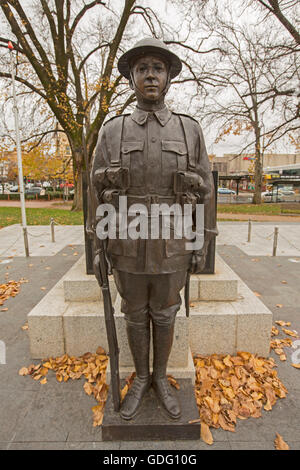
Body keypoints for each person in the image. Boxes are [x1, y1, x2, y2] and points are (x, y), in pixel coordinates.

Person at [90, 38, 217, 420]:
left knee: (164, 313)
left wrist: (200, 246)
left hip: (173, 243)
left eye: (157, 69)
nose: (150, 75)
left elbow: (207, 191)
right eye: (142, 69)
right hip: (126, 241)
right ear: (131, 78)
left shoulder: (189, 130)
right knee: (133, 312)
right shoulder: (112, 131)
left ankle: (161, 377)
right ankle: (141, 377)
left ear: (167, 79)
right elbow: (95, 189)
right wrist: (98, 248)